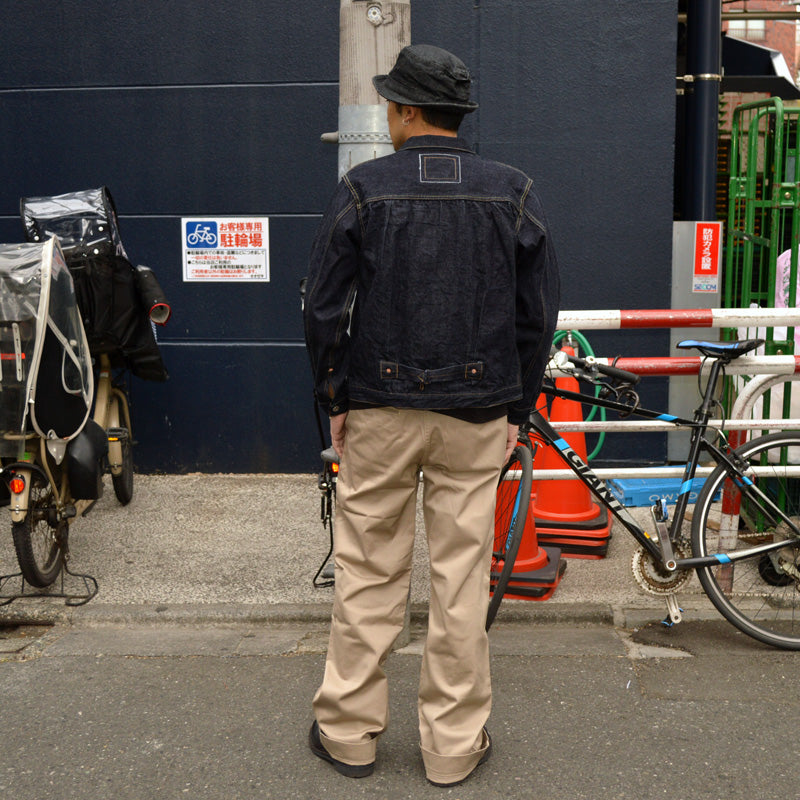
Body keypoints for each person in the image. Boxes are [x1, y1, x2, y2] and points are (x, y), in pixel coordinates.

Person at [303, 43, 559, 787]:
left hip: (380, 409)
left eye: (389, 104)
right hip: (477, 414)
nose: (386, 116)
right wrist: (518, 403)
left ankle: (348, 735)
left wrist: (333, 400)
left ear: (408, 111)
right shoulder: (512, 192)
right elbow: (536, 316)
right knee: (458, 578)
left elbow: (322, 309)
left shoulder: (362, 189)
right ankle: (451, 749)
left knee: (367, 574)